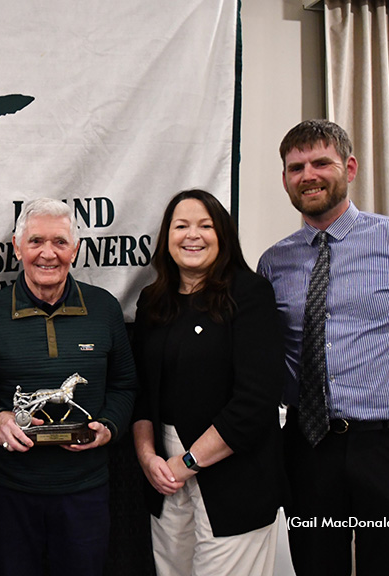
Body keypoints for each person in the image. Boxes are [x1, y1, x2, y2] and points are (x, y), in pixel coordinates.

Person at [258, 119, 389, 576]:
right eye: (296, 167)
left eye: (321, 162)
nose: (309, 175)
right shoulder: (273, 262)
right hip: (309, 451)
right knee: (315, 567)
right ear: (285, 179)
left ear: (349, 167)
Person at [0, 197, 138, 576]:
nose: (48, 254)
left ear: (75, 249)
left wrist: (109, 426)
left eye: (60, 242)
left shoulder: (105, 309)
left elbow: (126, 385)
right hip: (7, 492)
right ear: (17, 247)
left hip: (85, 492)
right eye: (36, 242)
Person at [131, 189, 284, 575]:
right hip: (164, 477)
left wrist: (187, 463)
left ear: (224, 235)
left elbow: (255, 400)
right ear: (167, 237)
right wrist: (148, 458)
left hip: (234, 479)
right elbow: (143, 393)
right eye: (181, 226)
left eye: (205, 225)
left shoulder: (250, 295)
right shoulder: (153, 301)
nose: (192, 235)